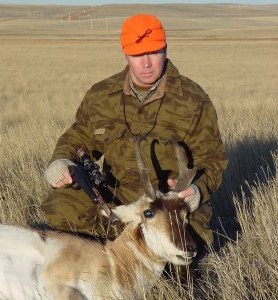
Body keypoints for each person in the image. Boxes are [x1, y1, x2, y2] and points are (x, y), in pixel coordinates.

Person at [41, 14, 228, 250]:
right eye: (137, 54)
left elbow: (212, 160)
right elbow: (78, 138)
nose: (146, 63)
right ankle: (111, 254)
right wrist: (60, 160)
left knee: (188, 245)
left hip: (168, 200)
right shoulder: (101, 95)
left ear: (166, 49)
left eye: (154, 52)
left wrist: (196, 191)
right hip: (115, 193)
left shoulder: (193, 99)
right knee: (60, 207)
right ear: (125, 54)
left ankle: (126, 249)